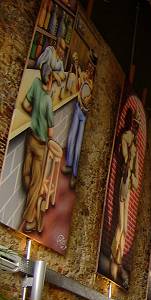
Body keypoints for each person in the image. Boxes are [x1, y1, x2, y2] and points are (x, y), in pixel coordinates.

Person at [21, 63, 54, 233]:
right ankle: (30, 220)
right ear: (50, 80)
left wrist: (34, 115)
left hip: (30, 137)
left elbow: (25, 105)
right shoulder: (48, 101)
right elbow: (50, 132)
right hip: (40, 144)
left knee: (26, 174)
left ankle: (34, 202)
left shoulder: (35, 83)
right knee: (36, 183)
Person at [110, 109, 140, 280]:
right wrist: (128, 161)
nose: (135, 127)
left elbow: (135, 168)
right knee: (121, 224)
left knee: (126, 227)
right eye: (134, 123)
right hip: (124, 180)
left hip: (128, 182)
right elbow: (126, 159)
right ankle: (115, 254)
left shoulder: (134, 142)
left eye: (137, 125)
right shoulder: (126, 137)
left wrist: (133, 174)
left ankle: (119, 256)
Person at [62, 49, 96, 188]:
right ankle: (69, 164)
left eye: (92, 67)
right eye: (89, 65)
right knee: (71, 137)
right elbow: (78, 72)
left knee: (78, 146)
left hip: (85, 114)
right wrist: (76, 62)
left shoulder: (93, 84)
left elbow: (89, 99)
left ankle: (75, 175)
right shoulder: (84, 76)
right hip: (78, 108)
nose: (89, 68)